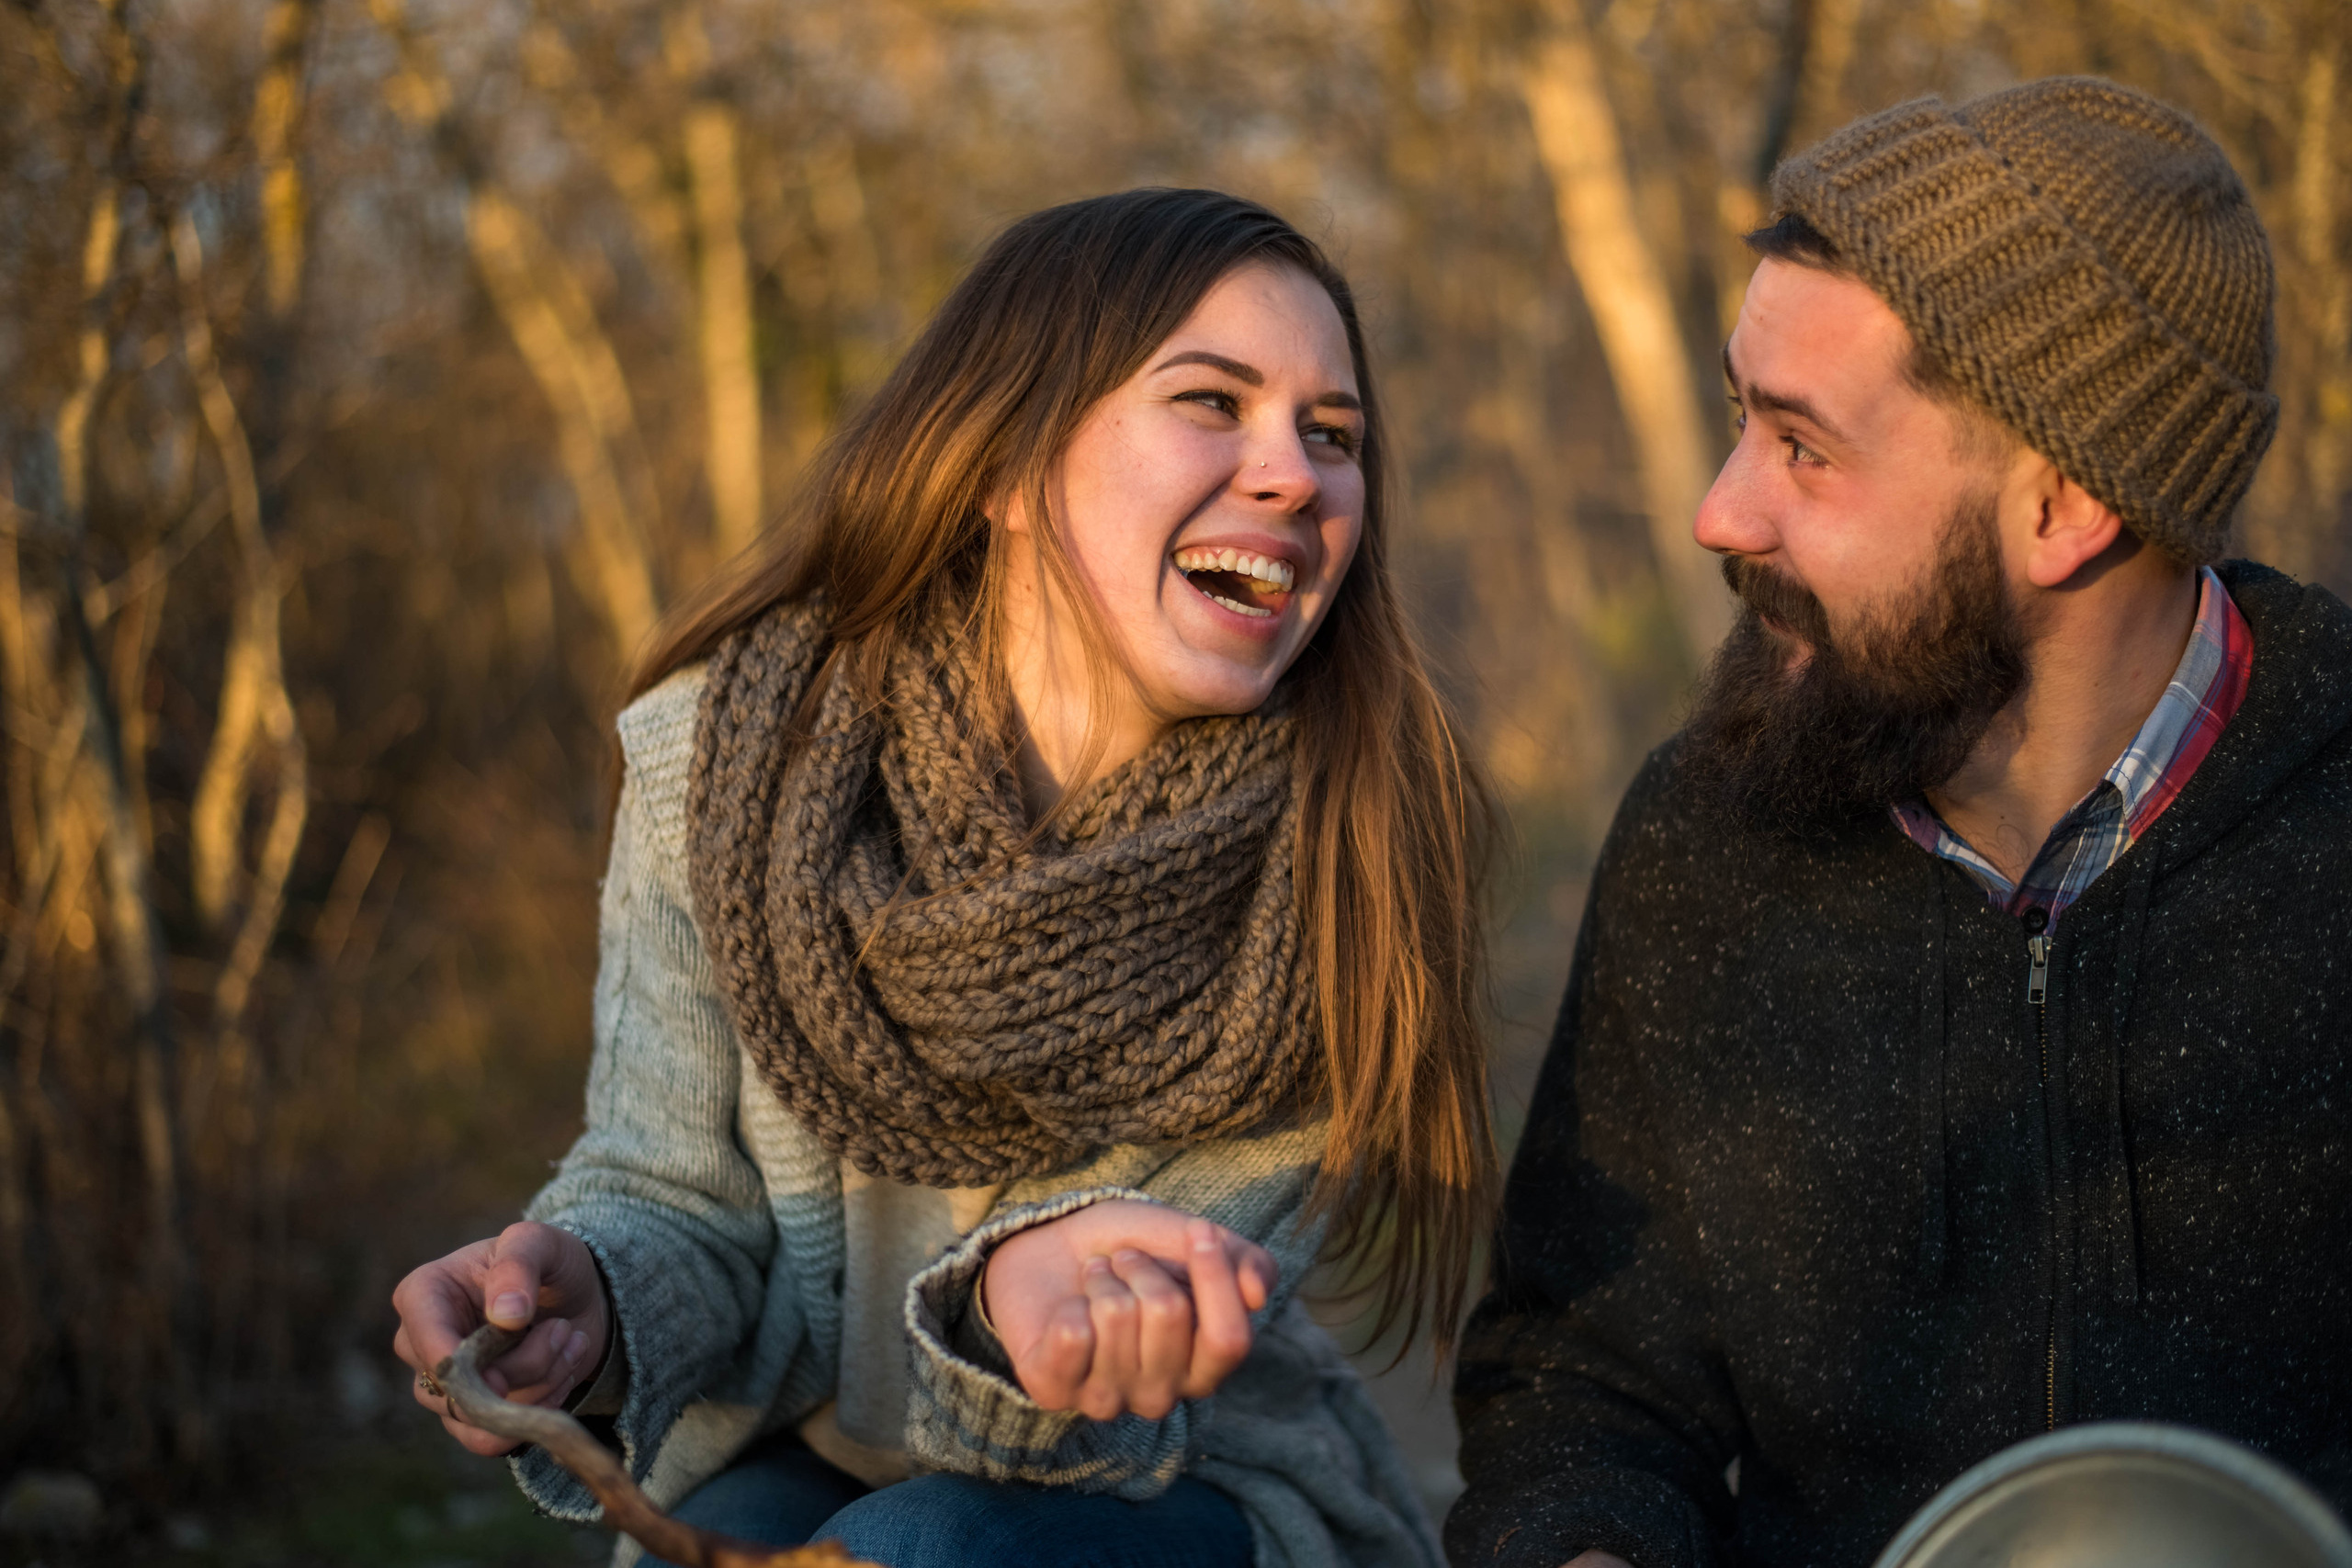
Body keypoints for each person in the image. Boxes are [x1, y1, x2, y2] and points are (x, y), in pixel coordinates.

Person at [390, 187, 1496, 1568]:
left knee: (921, 1546)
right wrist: (591, 1312)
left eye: (1333, 435)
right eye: (1212, 402)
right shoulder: (720, 766)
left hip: (1180, 1486)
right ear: (1007, 467)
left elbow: (1112, 1409)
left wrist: (1014, 1312)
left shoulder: (1343, 858)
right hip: (789, 1446)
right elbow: (676, 1194)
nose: (1296, 474)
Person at [1447, 77, 2352, 1568]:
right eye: (1741, 418)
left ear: (2065, 508)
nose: (1721, 513)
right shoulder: (1710, 832)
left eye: (1802, 447)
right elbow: (1583, 1379)